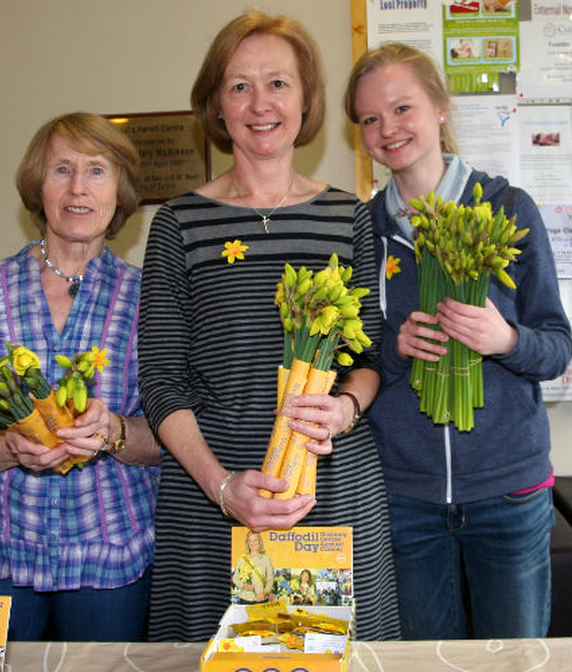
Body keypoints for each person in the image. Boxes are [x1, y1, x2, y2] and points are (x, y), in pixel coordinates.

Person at [138, 11, 400, 642]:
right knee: (229, 655)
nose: (261, 104)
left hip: (330, 497)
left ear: (306, 99)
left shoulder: (349, 217)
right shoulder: (179, 224)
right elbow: (161, 379)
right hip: (215, 505)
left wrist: (345, 410)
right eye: (239, 86)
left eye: (279, 83)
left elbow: (372, 358)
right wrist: (223, 487)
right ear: (216, 106)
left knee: (326, 654)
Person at [344, 42, 572, 639]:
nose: (387, 129)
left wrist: (504, 340)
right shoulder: (363, 231)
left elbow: (556, 346)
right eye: (370, 118)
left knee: (514, 658)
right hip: (406, 495)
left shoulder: (507, 209)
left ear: (439, 108)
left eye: (402, 108)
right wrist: (394, 351)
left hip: (510, 491)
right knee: (424, 658)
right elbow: (355, 356)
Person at [0, 112, 161, 641]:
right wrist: (10, 445)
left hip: (109, 555)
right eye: (61, 169)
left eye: (97, 171)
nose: (78, 188)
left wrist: (113, 433)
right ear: (38, 185)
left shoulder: (150, 298)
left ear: (120, 191)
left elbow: (171, 436)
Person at [232, 531, 275, 604]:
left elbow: (270, 580)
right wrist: (244, 585)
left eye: (255, 540)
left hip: (261, 599)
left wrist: (264, 593)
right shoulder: (242, 559)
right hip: (245, 599)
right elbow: (235, 578)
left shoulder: (266, 559)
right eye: (250, 541)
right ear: (248, 543)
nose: (253, 543)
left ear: (259, 542)